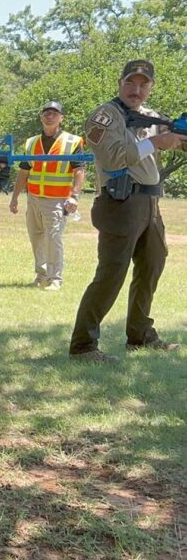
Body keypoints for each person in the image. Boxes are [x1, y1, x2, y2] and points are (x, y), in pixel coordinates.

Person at [69, 60, 187, 362]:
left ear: (151, 87)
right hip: (120, 202)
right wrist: (157, 142)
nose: (137, 90)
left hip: (149, 203)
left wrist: (173, 138)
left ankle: (141, 335)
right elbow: (112, 158)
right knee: (111, 274)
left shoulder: (149, 116)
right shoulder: (105, 116)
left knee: (151, 266)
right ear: (120, 82)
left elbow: (178, 139)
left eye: (143, 84)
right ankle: (83, 346)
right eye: (131, 83)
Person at [8, 101, 86, 291]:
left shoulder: (73, 142)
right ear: (41, 117)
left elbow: (80, 170)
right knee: (36, 238)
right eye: (46, 113)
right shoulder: (32, 142)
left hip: (58, 200)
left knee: (53, 238)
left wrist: (74, 196)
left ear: (61, 118)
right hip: (34, 198)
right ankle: (41, 275)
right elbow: (24, 172)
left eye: (54, 113)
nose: (50, 116)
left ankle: (55, 278)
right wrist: (15, 197)